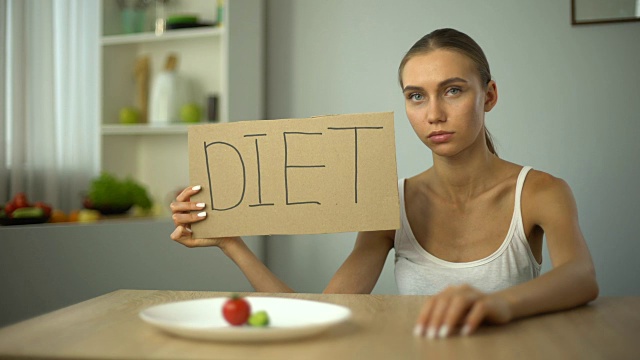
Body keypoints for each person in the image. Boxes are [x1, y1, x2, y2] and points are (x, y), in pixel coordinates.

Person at [170, 28, 598, 339]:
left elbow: (581, 276)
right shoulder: (390, 201)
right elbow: (321, 314)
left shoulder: (541, 191)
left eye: (452, 91)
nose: (433, 113)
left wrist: (496, 304)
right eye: (416, 95)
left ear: (488, 96)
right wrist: (231, 243)